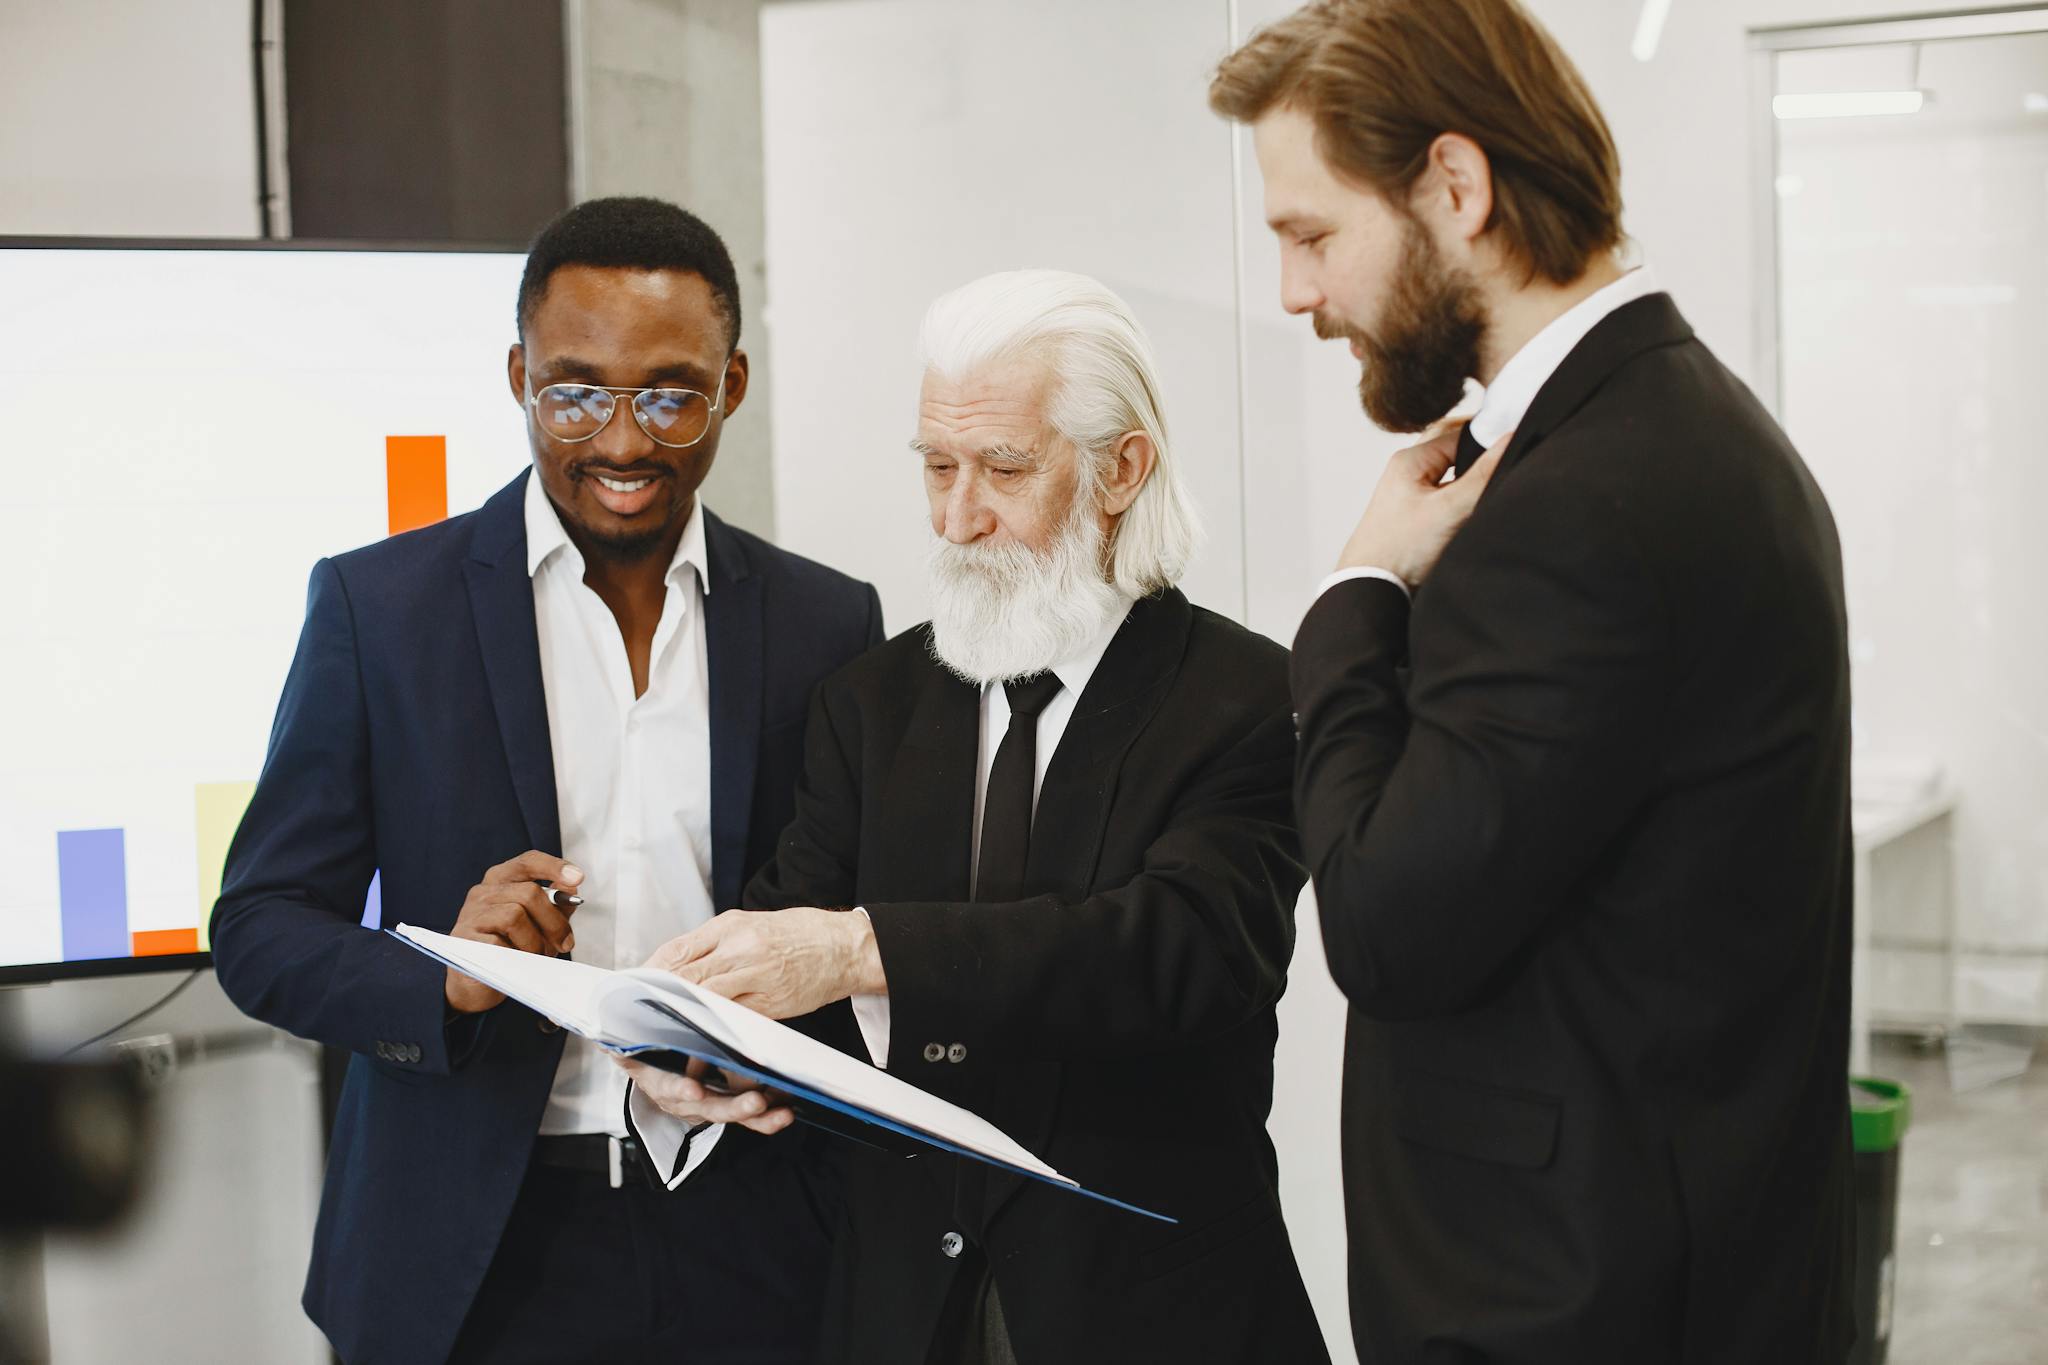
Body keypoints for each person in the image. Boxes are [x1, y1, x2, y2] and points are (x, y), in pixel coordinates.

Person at [1210, 3, 1859, 1361]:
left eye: (1312, 234)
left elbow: (1386, 924)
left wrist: (1355, 597)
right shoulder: (1683, 433)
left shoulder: (1588, 500)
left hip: (1567, 1306)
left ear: (1456, 187)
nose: (1294, 293)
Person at [210, 196, 882, 1365]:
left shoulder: (829, 621)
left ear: (730, 386)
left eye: (669, 393)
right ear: (519, 375)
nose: (621, 442)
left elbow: (851, 923)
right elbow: (261, 927)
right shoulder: (381, 610)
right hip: (469, 1255)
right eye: (575, 391)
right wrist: (448, 980)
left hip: (757, 1233)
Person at [622, 269, 1330, 1365]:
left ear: (1120, 469)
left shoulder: (1244, 699)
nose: (958, 516)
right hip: (900, 1315)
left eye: (1002, 468)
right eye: (937, 467)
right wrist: (702, 1052)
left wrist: (858, 949)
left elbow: (1179, 954)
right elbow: (787, 963)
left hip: (1151, 1317)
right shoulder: (872, 702)